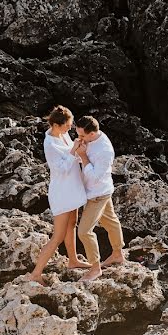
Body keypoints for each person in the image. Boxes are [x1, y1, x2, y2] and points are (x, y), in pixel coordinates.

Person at [27, 105, 91, 284]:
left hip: (73, 188)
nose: (70, 128)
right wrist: (73, 152)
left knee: (72, 224)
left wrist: (80, 152)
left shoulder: (63, 135)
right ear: (56, 124)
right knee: (58, 236)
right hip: (62, 191)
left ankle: (73, 260)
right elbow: (61, 169)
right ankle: (36, 273)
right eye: (67, 125)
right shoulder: (50, 144)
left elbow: (73, 157)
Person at [74, 115, 126, 281]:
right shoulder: (89, 140)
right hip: (101, 190)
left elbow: (95, 176)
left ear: (91, 134)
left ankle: (95, 268)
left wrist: (83, 156)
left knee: (84, 232)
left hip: (98, 194)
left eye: (82, 136)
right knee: (110, 221)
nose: (79, 138)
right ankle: (118, 254)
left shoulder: (105, 151)